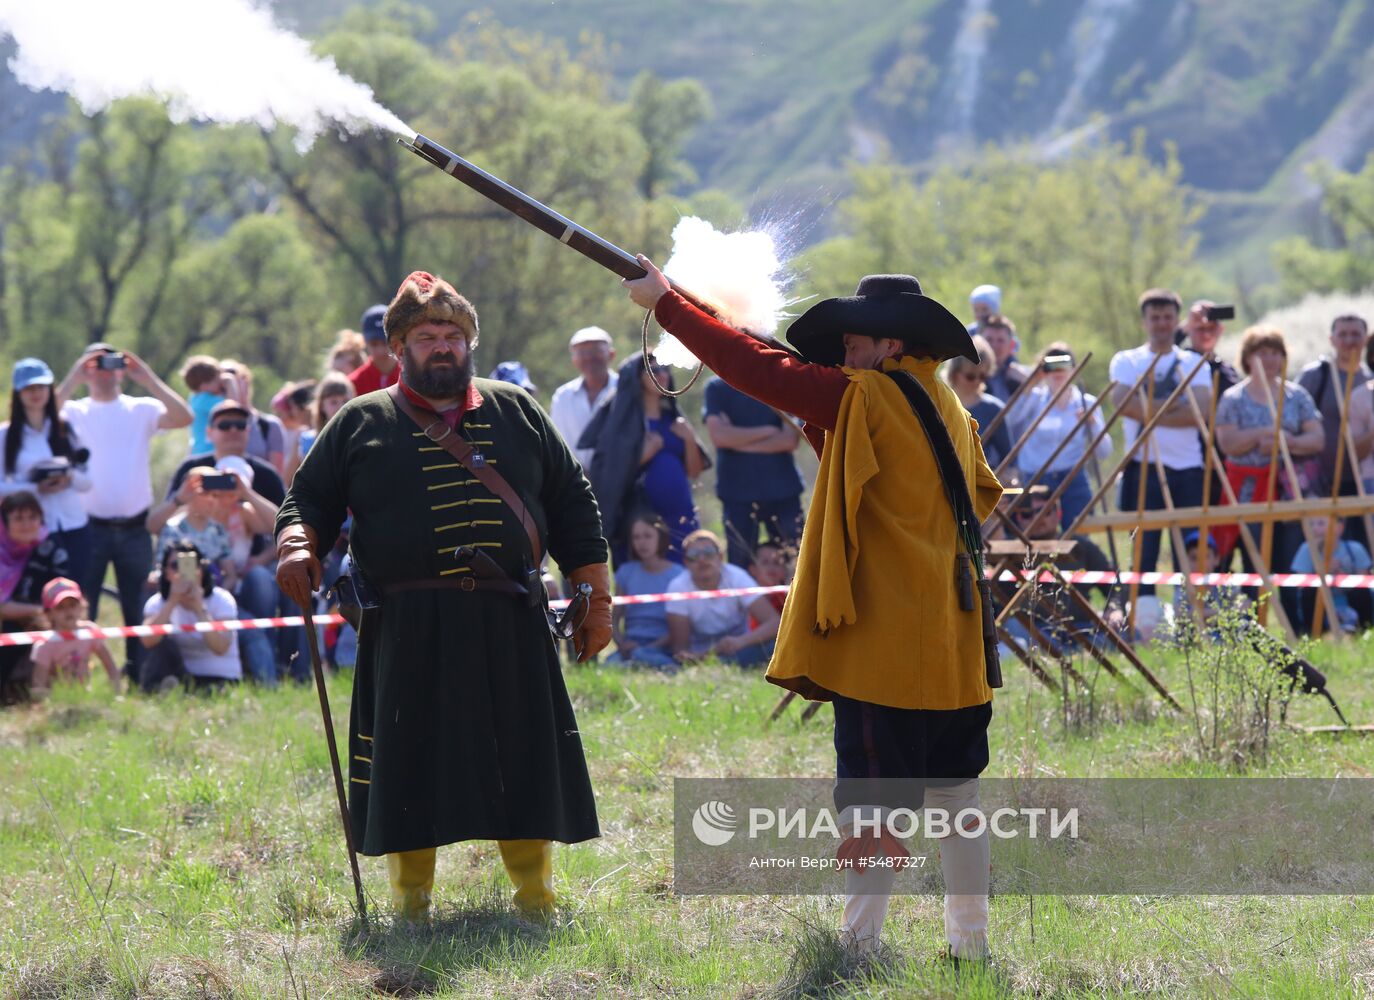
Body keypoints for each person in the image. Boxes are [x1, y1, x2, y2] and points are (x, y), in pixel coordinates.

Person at [626, 256, 1002, 962]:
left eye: (855, 342)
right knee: (958, 802)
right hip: (952, 647)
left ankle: (858, 951)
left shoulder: (872, 395)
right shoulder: (947, 406)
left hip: (884, 647)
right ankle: (970, 949)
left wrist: (668, 307)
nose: (845, 355)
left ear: (891, 344)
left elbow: (762, 373)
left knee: (869, 803)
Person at [274, 269, 613, 922]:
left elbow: (573, 503)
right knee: (409, 761)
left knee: (521, 757)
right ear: (399, 346)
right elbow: (307, 497)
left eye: (453, 334)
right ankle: (410, 907)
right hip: (407, 623)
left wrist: (595, 597)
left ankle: (536, 899)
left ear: (469, 344)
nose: (442, 346)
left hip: (510, 615)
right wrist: (297, 542)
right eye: (426, 335)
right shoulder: (359, 420)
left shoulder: (516, 409)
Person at [58, 343, 193, 681]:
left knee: (138, 606)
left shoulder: (141, 408)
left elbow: (184, 417)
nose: (103, 370)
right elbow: (41, 421)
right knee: (80, 605)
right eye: (95, 364)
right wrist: (74, 376)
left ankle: (140, 677)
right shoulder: (75, 411)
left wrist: (146, 378)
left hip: (134, 528)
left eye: (110, 362)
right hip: (89, 528)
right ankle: (78, 676)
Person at [1107, 289, 1212, 629]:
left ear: (1176, 320)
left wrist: (1149, 411)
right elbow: (1123, 402)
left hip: (1188, 468)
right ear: (1145, 321)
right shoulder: (1127, 360)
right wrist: (1175, 409)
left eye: (1168, 317)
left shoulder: (1193, 361)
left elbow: (1200, 411)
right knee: (1144, 552)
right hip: (1143, 467)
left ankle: (1189, 625)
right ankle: (1144, 626)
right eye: (1155, 317)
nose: (1162, 324)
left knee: (1191, 552)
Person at [580, 352, 708, 563]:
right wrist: (644, 454)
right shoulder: (620, 426)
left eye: (665, 369)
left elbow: (694, 472)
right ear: (637, 378)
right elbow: (609, 477)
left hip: (681, 516)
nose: (662, 375)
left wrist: (689, 440)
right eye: (654, 370)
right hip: (642, 522)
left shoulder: (675, 420)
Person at [1212, 327, 1323, 570]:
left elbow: (1317, 438)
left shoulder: (1296, 395)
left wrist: (1287, 442)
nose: (1270, 359)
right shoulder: (1234, 398)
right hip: (1248, 494)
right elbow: (1227, 443)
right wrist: (1262, 434)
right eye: (1262, 353)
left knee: (1289, 561)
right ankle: (1251, 606)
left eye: (1275, 353)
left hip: (1290, 491)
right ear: (1248, 358)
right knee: (1255, 563)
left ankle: (1292, 607)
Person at [2, 358, 93, 585]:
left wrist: (68, 476)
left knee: (75, 596)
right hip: (33, 532)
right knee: (39, 601)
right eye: (29, 388)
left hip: (75, 525)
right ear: (18, 393)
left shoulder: (67, 429)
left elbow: (88, 481)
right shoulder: (6, 435)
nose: (36, 393)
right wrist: (35, 488)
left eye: (41, 387)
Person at [702, 373, 804, 568]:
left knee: (797, 560)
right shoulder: (716, 388)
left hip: (784, 491)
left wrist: (736, 440)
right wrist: (768, 430)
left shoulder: (779, 382)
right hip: (737, 493)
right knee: (741, 564)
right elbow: (720, 437)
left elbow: (790, 439)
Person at [1005, 342, 1111, 529]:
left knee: (1077, 537)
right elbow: (1009, 422)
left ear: (1074, 369)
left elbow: (1104, 452)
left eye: (1064, 364)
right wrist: (1030, 384)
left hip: (1073, 477)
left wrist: (1093, 424)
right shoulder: (1034, 399)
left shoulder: (1087, 402)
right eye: (1051, 365)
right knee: (1036, 537)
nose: (1058, 371)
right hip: (1035, 478)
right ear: (1043, 369)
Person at [664, 529, 779, 666]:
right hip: (699, 657)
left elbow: (775, 623)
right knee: (649, 657)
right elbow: (680, 650)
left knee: (774, 648)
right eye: (693, 555)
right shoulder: (677, 587)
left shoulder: (738, 577)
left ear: (720, 557)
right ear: (686, 562)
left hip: (741, 649)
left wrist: (741, 642)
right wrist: (712, 653)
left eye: (708, 553)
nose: (702, 559)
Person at [0, 491, 72, 702]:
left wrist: (44, 615)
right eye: (19, 518)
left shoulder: (52, 550)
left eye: (32, 517)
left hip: (48, 623)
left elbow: (64, 595)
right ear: (5, 522)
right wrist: (37, 611)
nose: (27, 524)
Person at [140, 542, 240, 693]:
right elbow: (147, 640)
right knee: (163, 644)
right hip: (181, 676)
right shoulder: (158, 603)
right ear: (166, 572)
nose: (182, 571)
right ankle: (163, 689)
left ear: (201, 570)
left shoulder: (221, 600)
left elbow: (221, 647)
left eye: (189, 564)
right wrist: (172, 602)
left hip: (219, 676)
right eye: (175, 565)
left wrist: (199, 609)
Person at [608, 513, 679, 669]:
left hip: (662, 647)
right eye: (636, 537)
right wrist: (621, 644)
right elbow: (614, 618)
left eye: (648, 536)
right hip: (630, 644)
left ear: (660, 537)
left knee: (650, 659)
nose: (642, 543)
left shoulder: (678, 575)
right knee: (610, 666)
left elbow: (680, 626)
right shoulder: (625, 572)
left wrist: (651, 647)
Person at [29, 577, 121, 698]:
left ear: (82, 606)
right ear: (49, 613)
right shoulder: (45, 644)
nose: (68, 611)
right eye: (60, 607)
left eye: (72, 605)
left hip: (85, 697)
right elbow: (38, 686)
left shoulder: (90, 632)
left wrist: (116, 694)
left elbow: (110, 666)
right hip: (56, 702)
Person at [550, 326, 618, 470]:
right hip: (576, 483)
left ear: (611, 355)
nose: (589, 358)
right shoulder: (563, 397)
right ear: (574, 360)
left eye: (595, 351)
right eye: (582, 353)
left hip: (622, 481)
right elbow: (557, 444)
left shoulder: (626, 390)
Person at [1291, 516, 1371, 635]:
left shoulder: (1355, 549)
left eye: (1321, 523)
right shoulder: (1306, 549)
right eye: (1311, 524)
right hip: (1320, 601)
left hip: (1347, 598)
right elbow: (1300, 585)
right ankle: (1316, 633)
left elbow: (1364, 581)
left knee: (1361, 592)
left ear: (1339, 527)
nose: (1315, 529)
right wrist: (1322, 571)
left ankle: (1364, 630)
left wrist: (1343, 578)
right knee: (1308, 592)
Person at [945, 334, 1013, 471]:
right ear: (954, 373)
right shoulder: (938, 404)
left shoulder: (993, 409)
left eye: (983, 376)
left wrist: (1006, 476)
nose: (977, 381)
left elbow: (1009, 458)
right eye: (970, 376)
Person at [219, 360, 286, 475]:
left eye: (233, 379)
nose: (229, 387)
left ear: (246, 382)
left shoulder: (269, 425)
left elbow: (277, 477)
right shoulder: (211, 426)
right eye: (223, 385)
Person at [346, 304, 400, 395]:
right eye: (374, 344)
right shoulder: (353, 384)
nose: (381, 350)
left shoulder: (411, 377)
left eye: (386, 343)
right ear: (365, 342)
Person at [272, 380, 317, 486]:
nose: (292, 412)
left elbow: (286, 478)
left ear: (303, 407)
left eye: (293, 407)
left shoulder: (302, 435)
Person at [180, 355, 226, 456]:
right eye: (217, 379)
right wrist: (231, 383)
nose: (221, 382)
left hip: (199, 450)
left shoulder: (194, 397)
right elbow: (232, 406)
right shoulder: (205, 399)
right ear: (204, 385)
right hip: (208, 451)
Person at [301, 372, 355, 456]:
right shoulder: (310, 441)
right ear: (322, 406)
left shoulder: (360, 438)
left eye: (346, 401)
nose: (341, 407)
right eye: (333, 402)